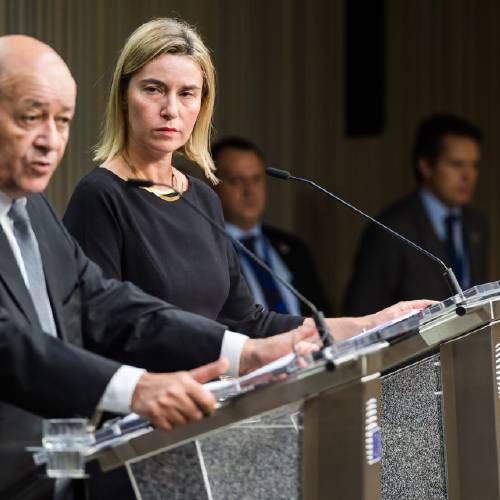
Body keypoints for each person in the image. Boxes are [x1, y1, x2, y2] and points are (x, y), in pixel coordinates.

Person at [62, 18, 430, 499]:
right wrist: (229, 355)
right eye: (154, 89)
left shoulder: (201, 198)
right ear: (123, 93)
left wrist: (367, 325)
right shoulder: (100, 197)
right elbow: (99, 333)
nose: (171, 108)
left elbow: (248, 321)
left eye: (187, 93)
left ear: (203, 104)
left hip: (216, 434)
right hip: (141, 445)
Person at [0, 34, 318, 500]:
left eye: (63, 121)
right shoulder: (99, 194)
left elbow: (104, 302)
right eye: (32, 117)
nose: (51, 140)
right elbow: (9, 342)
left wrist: (245, 354)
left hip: (60, 475)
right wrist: (135, 388)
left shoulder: (34, 210)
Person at [344, 114, 489, 316]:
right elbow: (362, 311)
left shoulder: (476, 223)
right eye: (456, 164)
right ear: (426, 166)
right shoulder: (391, 228)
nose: (468, 175)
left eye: (474, 165)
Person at [212, 136, 333, 316]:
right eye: (237, 180)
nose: (249, 190)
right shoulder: (207, 250)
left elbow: (324, 315)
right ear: (211, 184)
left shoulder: (294, 248)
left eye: (256, 179)